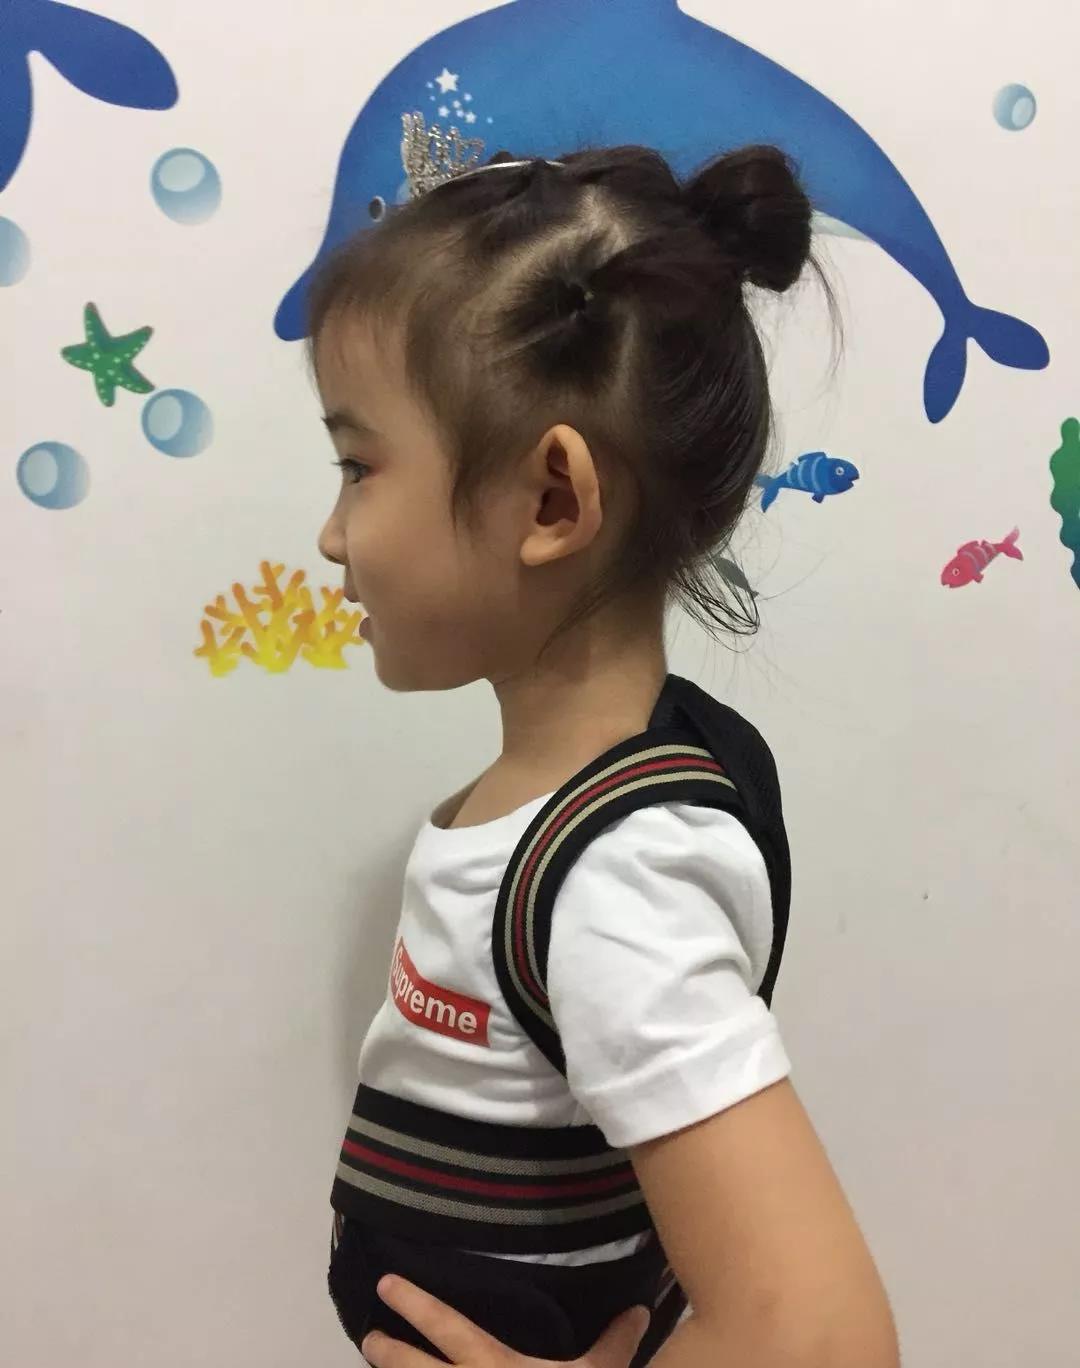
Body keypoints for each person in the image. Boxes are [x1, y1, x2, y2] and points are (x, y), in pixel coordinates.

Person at [312, 127, 899, 1368]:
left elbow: (821, 1338)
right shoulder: (561, 815)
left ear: (552, 500)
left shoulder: (615, 879)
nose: (331, 534)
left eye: (358, 466)